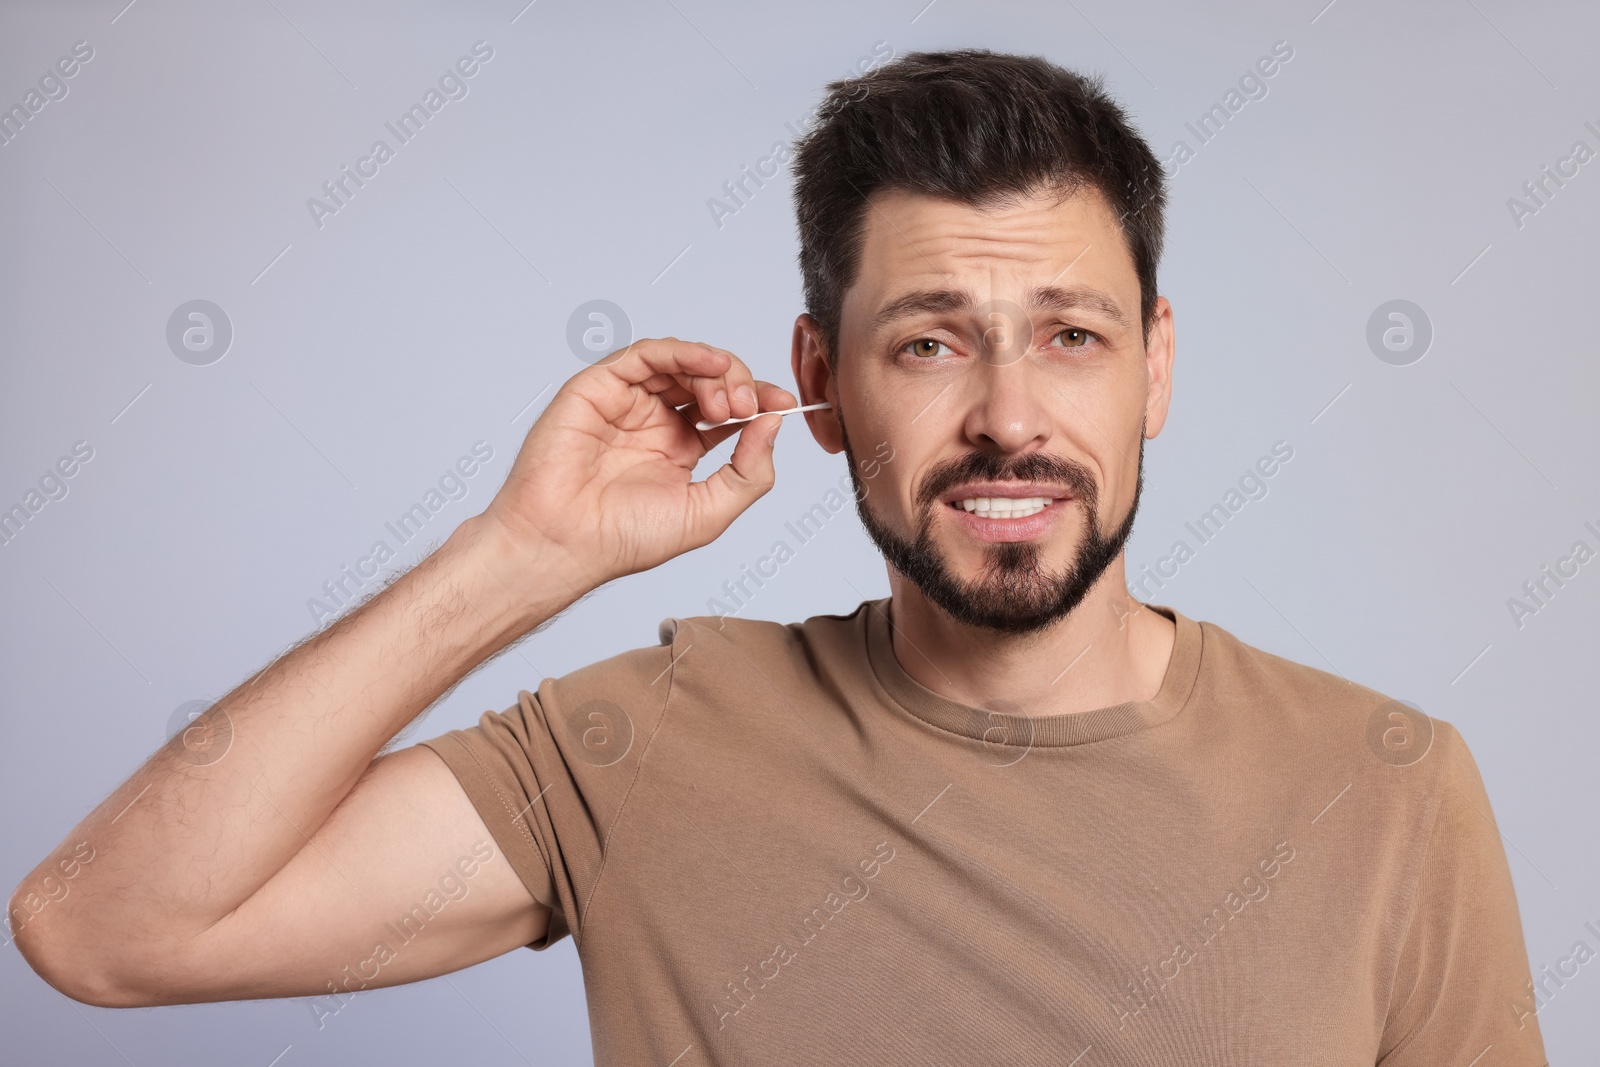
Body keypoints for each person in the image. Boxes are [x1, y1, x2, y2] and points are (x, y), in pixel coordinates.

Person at [10, 49, 1547, 1065]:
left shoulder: (1390, 785)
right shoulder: (647, 744)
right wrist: (520, 557)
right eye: (929, 341)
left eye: (1070, 339)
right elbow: (102, 927)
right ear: (822, 378)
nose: (1009, 418)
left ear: (1153, 368)